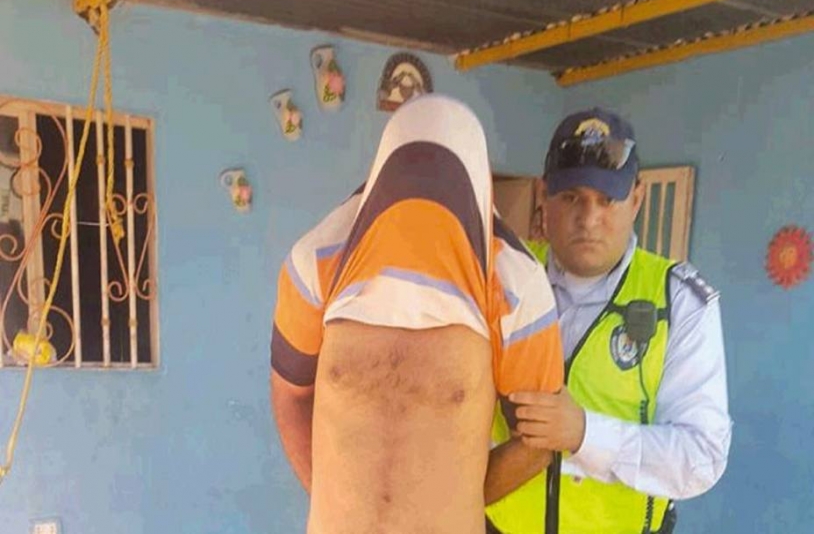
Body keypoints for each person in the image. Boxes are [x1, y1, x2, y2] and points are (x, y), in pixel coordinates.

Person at [269, 94, 564, 534]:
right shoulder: (316, 260)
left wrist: (444, 508)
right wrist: (337, 503)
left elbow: (539, 442)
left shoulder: (518, 285)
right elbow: (290, 396)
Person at [485, 108, 732, 534]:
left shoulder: (678, 302)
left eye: (607, 199)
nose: (589, 218)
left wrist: (585, 434)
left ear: (636, 198)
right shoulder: (502, 278)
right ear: (543, 195)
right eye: (570, 197)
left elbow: (701, 457)